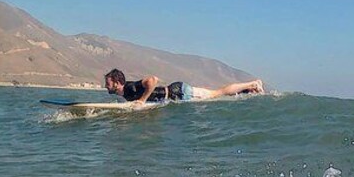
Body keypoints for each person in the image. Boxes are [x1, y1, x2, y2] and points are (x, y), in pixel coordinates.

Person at [104, 68, 263, 103]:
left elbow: (153, 79)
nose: (106, 87)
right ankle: (249, 90)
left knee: (218, 93)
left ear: (117, 83)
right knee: (217, 94)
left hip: (178, 92)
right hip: (177, 94)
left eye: (108, 84)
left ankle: (252, 83)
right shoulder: (125, 94)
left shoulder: (130, 88)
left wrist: (142, 100)